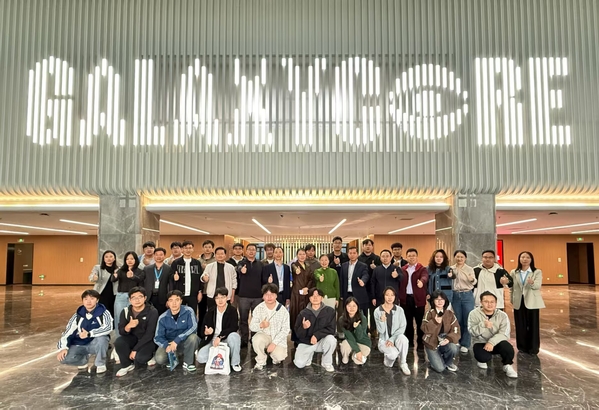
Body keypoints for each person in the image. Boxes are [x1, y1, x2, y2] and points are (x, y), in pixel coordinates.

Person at [56, 289, 113, 374]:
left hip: (95, 343)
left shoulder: (104, 313)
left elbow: (108, 327)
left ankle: (100, 363)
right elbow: (68, 331)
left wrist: (90, 334)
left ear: (97, 300)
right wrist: (63, 348)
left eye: (92, 299)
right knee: (64, 358)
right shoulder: (78, 315)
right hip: (80, 343)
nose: (88, 301)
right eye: (86, 299)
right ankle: (83, 361)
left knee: (102, 339)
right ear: (82, 301)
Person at [468, 291, 518, 378]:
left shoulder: (503, 315)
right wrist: (483, 325)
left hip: (497, 342)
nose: (489, 304)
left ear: (496, 303)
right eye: (486, 302)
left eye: (492, 302)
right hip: (481, 342)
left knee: (508, 348)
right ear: (481, 302)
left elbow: (504, 333)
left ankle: (507, 365)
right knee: (483, 357)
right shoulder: (473, 314)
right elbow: (472, 331)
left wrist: (491, 342)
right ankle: (482, 360)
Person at [114, 287, 159, 376]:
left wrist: (135, 349)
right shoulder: (125, 311)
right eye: (134, 298)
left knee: (141, 359)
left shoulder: (152, 311)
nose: (137, 300)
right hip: (133, 338)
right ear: (130, 300)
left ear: (145, 298)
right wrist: (128, 326)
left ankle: (150, 356)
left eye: (140, 297)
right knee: (119, 341)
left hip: (147, 340)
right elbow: (121, 331)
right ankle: (127, 365)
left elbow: (150, 334)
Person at [197, 287, 242, 372]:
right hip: (212, 340)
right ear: (214, 299)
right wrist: (206, 332)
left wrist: (220, 336)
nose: (220, 300)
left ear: (227, 298)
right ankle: (224, 357)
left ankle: (235, 362)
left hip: (226, 338)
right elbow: (202, 329)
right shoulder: (210, 311)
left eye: (222, 297)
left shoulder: (232, 310)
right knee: (201, 358)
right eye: (217, 298)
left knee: (235, 336)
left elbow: (234, 327)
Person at [154, 290, 200, 372]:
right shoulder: (162, 317)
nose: (174, 303)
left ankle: (188, 362)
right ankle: (173, 357)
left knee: (193, 338)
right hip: (170, 343)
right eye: (171, 300)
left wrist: (177, 339)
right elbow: (157, 337)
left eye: (177, 300)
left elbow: (193, 327)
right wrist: (166, 345)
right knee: (160, 358)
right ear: (168, 302)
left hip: (185, 341)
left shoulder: (188, 311)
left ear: (181, 301)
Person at [293, 288, 337, 372]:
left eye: (318, 295)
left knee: (331, 340)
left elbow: (332, 329)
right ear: (309, 298)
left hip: (322, 342)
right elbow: (298, 334)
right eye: (312, 296)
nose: (315, 297)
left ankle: (326, 362)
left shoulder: (330, 311)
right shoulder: (303, 313)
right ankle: (309, 354)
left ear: (322, 298)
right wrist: (303, 327)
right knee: (299, 364)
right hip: (306, 342)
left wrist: (317, 335)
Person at [509, 251, 545, 355]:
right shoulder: (514, 272)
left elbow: (538, 286)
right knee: (520, 324)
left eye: (527, 257)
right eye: (522, 257)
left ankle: (533, 348)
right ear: (519, 259)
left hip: (532, 301)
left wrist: (532, 283)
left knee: (533, 324)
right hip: (518, 301)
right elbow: (511, 287)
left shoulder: (536, 272)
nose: (525, 259)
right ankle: (522, 346)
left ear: (531, 259)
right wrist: (512, 299)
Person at [250, 283, 291, 370]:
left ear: (276, 295)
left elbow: (285, 329)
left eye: (272, 294)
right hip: (264, 335)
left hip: (277, 337)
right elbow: (252, 327)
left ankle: (272, 353)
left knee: (279, 357)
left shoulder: (283, 310)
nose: (269, 297)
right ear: (263, 296)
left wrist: (274, 343)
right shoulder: (258, 308)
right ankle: (261, 360)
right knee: (257, 340)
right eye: (266, 294)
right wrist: (261, 325)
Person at [374, 287, 410, 375]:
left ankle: (403, 363)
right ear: (384, 296)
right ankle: (387, 359)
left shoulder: (399, 310)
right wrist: (382, 321)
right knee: (392, 356)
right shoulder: (377, 311)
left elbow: (402, 327)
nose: (390, 297)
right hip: (384, 340)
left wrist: (392, 339)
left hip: (396, 337)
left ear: (395, 297)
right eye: (387, 295)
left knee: (404, 339)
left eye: (392, 295)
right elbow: (381, 331)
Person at [421, 290, 460, 372]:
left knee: (453, 347)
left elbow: (456, 330)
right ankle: (434, 358)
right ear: (433, 301)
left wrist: (448, 339)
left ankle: (448, 362)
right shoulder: (429, 313)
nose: (440, 301)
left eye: (442, 299)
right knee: (440, 369)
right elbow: (424, 329)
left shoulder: (450, 314)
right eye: (437, 299)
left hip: (444, 341)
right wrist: (434, 322)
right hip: (432, 343)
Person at [399, 248, 428, 350]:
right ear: (406, 257)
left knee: (420, 322)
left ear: (417, 257)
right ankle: (409, 342)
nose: (411, 258)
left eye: (413, 256)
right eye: (409, 256)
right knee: (407, 321)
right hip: (406, 299)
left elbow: (425, 277)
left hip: (418, 299)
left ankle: (420, 342)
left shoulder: (422, 269)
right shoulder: (402, 269)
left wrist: (422, 282)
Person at [170, 241, 204, 328]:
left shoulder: (197, 263)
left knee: (192, 314)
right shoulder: (176, 263)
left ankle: (192, 330)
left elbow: (200, 278)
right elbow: (170, 277)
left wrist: (200, 291)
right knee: (178, 314)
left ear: (193, 249)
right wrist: (174, 277)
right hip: (179, 294)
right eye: (185, 248)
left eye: (190, 248)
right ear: (182, 250)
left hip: (193, 294)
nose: (188, 250)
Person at [236, 243, 264, 347]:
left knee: (256, 319)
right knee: (243, 319)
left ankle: (254, 338)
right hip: (244, 296)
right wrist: (241, 270)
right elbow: (238, 268)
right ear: (246, 251)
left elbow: (263, 279)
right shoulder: (241, 263)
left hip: (258, 296)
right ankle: (244, 339)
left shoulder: (261, 264)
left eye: (253, 249)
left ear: (256, 252)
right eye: (249, 249)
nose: (251, 251)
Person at [111, 251, 145, 333]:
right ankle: (119, 337)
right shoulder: (121, 270)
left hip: (134, 296)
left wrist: (133, 276)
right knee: (119, 316)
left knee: (132, 316)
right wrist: (114, 276)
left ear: (135, 260)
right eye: (127, 259)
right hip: (121, 296)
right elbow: (113, 279)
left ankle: (131, 336)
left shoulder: (140, 271)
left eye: (132, 259)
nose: (129, 260)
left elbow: (140, 280)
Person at [450, 250, 477, 353]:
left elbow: (474, 282)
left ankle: (465, 343)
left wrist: (471, 279)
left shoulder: (469, 269)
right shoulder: (451, 269)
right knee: (458, 319)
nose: (459, 259)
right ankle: (458, 340)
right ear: (454, 257)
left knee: (467, 319)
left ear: (465, 258)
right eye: (457, 256)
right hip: (455, 295)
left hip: (467, 295)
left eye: (461, 257)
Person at [289, 248, 316, 341]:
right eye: (300, 254)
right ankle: (296, 338)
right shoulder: (294, 264)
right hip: (296, 294)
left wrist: (307, 288)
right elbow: (294, 268)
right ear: (297, 256)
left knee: (306, 314)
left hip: (306, 294)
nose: (302, 256)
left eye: (303, 254)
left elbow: (311, 279)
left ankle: (305, 337)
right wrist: (296, 270)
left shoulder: (308, 266)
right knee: (296, 315)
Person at [338, 297, 371, 365]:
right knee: (345, 346)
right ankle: (347, 355)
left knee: (358, 361)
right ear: (345, 307)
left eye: (354, 306)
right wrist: (358, 351)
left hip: (363, 342)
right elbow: (349, 337)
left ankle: (353, 353)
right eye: (349, 306)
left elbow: (360, 337)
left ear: (357, 307)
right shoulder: (342, 319)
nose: (352, 308)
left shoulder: (363, 318)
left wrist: (357, 327)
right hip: (350, 340)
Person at [340, 247, 370, 317]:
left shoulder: (363, 265)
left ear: (357, 254)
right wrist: (341, 294)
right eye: (350, 253)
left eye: (354, 253)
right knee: (347, 314)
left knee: (361, 315)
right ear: (348, 254)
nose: (352, 255)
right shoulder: (344, 265)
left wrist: (363, 281)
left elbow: (365, 275)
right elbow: (341, 280)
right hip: (347, 294)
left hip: (358, 294)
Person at [143, 247, 172, 315]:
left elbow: (170, 285)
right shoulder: (147, 269)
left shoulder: (169, 269)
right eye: (156, 254)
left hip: (163, 298)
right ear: (154, 256)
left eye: (161, 255)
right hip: (149, 297)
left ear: (164, 256)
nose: (159, 257)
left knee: (161, 316)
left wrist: (169, 299)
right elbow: (142, 282)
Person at [89, 250, 118, 319]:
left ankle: (111, 324)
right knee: (101, 311)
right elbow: (91, 277)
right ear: (103, 259)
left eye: (111, 256)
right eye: (106, 257)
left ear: (114, 258)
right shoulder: (98, 268)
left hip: (114, 293)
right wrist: (94, 277)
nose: (108, 258)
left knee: (112, 311)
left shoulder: (118, 269)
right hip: (101, 293)